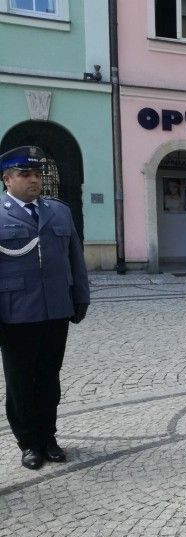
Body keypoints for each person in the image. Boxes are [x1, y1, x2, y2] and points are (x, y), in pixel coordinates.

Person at [0, 146, 90, 470]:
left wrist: (80, 297)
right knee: (20, 382)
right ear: (7, 179)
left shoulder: (59, 212)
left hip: (55, 310)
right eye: (25, 174)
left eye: (38, 174)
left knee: (49, 378)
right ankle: (28, 443)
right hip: (15, 314)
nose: (34, 180)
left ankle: (49, 437)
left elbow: (75, 258)